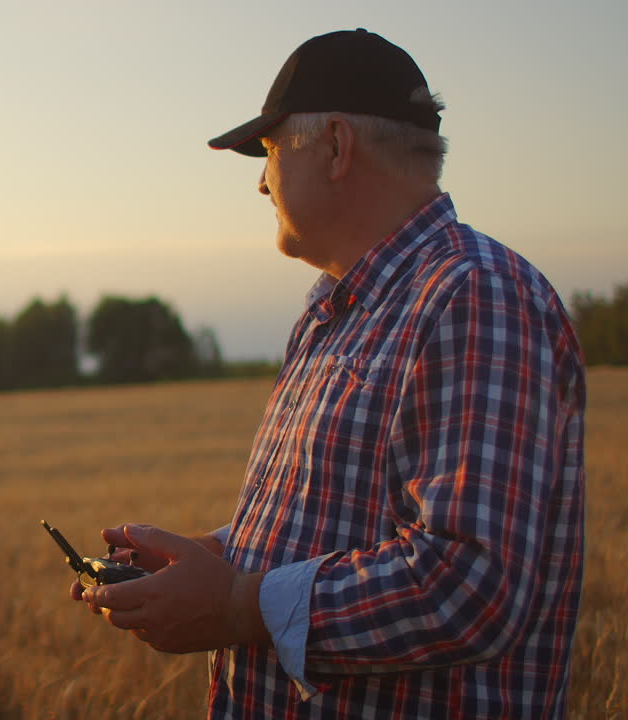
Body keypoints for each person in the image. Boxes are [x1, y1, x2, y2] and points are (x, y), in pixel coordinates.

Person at [71, 28, 586, 719]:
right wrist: (211, 559)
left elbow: (469, 586)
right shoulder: (336, 309)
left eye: (271, 150)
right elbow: (346, 522)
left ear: (337, 147)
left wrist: (234, 603)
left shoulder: (475, 296)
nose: (260, 180)